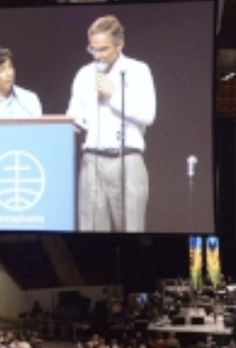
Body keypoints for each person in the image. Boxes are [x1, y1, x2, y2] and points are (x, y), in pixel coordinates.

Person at [67, 15, 156, 232]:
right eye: (92, 49)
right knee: (90, 232)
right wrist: (72, 124)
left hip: (126, 159)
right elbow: (73, 114)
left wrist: (114, 95)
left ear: (120, 45)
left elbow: (148, 115)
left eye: (103, 49)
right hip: (92, 161)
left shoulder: (138, 70)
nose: (97, 55)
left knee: (130, 230)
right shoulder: (83, 74)